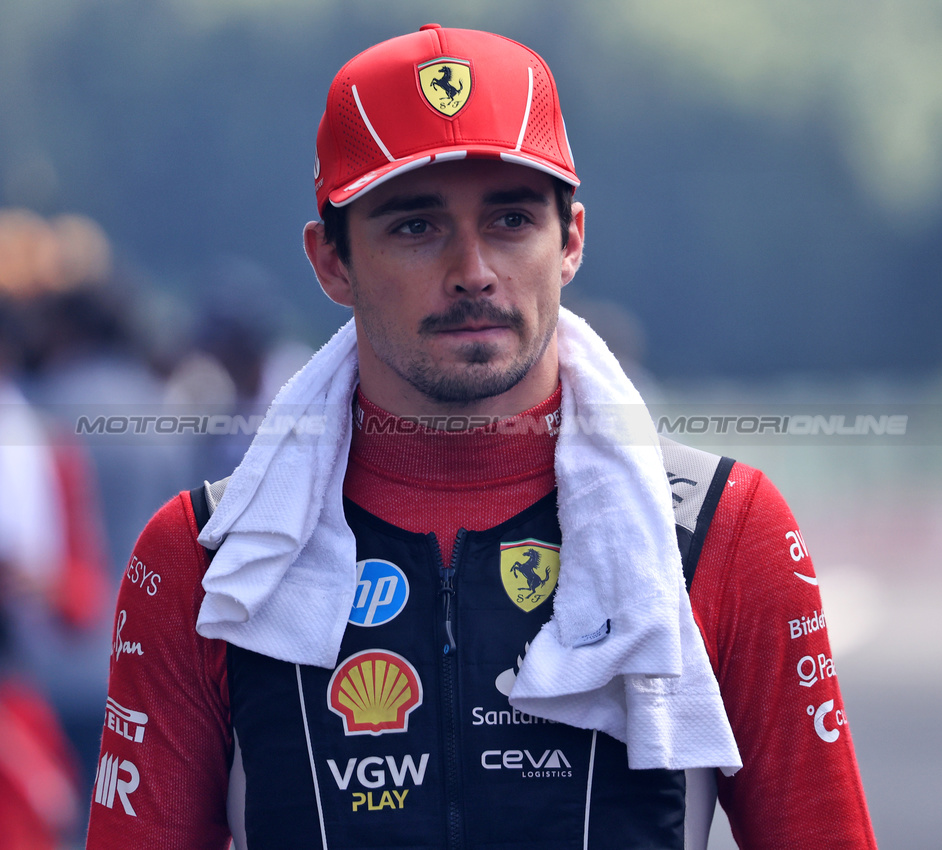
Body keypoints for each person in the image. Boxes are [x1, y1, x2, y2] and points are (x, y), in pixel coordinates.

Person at [85, 24, 875, 850]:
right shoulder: (206, 558)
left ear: (568, 241)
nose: (472, 269)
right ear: (332, 263)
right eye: (415, 227)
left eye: (509, 218)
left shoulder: (725, 530)